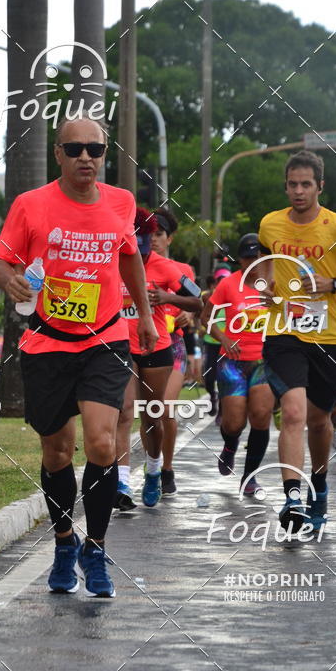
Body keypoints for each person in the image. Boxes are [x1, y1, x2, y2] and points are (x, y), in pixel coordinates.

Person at [0, 115, 158, 597]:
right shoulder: (31, 205)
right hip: (47, 342)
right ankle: (65, 542)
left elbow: (129, 256)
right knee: (58, 451)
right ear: (58, 154)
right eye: (75, 149)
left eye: (96, 149)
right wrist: (10, 282)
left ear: (105, 155)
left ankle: (96, 549)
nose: (86, 156)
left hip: (105, 338)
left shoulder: (121, 202)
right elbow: (1, 262)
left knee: (102, 444)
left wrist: (145, 316)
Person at [258, 149, 336, 532]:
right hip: (284, 331)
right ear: (285, 186)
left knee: (320, 422)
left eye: (306, 184)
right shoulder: (270, 223)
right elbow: (266, 263)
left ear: (320, 186)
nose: (298, 191)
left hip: (330, 336)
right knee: (293, 413)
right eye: (292, 184)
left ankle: (318, 486)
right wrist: (266, 287)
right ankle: (292, 498)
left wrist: (333, 283)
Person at [115, 208, 202, 509]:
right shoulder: (112, 261)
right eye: (134, 243)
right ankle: (122, 482)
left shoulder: (166, 268)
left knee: (153, 415)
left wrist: (168, 298)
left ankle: (154, 469)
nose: (139, 251)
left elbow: (197, 301)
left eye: (144, 245)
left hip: (157, 348)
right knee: (124, 411)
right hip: (121, 346)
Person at [201, 234, 274, 494]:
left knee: (261, 416)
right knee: (233, 423)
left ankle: (250, 476)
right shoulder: (228, 284)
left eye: (256, 257)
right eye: (247, 258)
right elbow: (206, 317)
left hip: (264, 361)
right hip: (232, 362)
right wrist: (223, 337)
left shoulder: (274, 284)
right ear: (240, 260)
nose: (252, 263)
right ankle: (230, 446)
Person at [150, 208, 198, 496]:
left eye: (159, 234)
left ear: (170, 238)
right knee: (148, 412)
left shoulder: (183, 270)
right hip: (142, 344)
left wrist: (188, 316)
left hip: (173, 344)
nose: (153, 240)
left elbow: (195, 303)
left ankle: (166, 468)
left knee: (164, 408)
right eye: (149, 234)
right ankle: (153, 467)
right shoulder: (134, 266)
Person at [201, 269, 230, 420]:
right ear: (215, 283)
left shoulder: (234, 296)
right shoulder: (207, 297)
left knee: (225, 378)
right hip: (211, 343)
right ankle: (212, 396)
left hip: (228, 345)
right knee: (209, 377)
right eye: (220, 280)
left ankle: (223, 410)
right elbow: (199, 315)